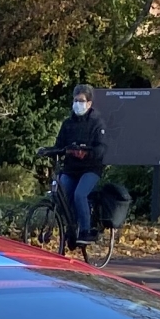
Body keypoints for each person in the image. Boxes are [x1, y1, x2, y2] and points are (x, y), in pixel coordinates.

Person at [50, 84, 108, 249]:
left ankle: (85, 231)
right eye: (75, 100)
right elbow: (59, 145)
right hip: (71, 168)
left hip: (91, 168)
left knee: (79, 194)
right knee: (62, 194)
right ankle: (70, 227)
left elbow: (101, 148)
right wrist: (50, 151)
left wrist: (87, 153)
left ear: (89, 103)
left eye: (81, 101)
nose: (77, 104)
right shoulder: (68, 123)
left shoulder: (97, 123)